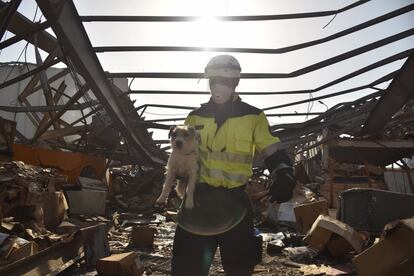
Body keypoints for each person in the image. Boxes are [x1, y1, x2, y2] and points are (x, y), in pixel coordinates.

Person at [171, 55, 296, 276]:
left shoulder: (253, 116)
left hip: (235, 204)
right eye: (213, 80)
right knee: (186, 269)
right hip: (198, 204)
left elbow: (271, 149)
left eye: (224, 81)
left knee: (239, 269)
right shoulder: (194, 118)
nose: (217, 85)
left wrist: (284, 173)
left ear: (235, 83)